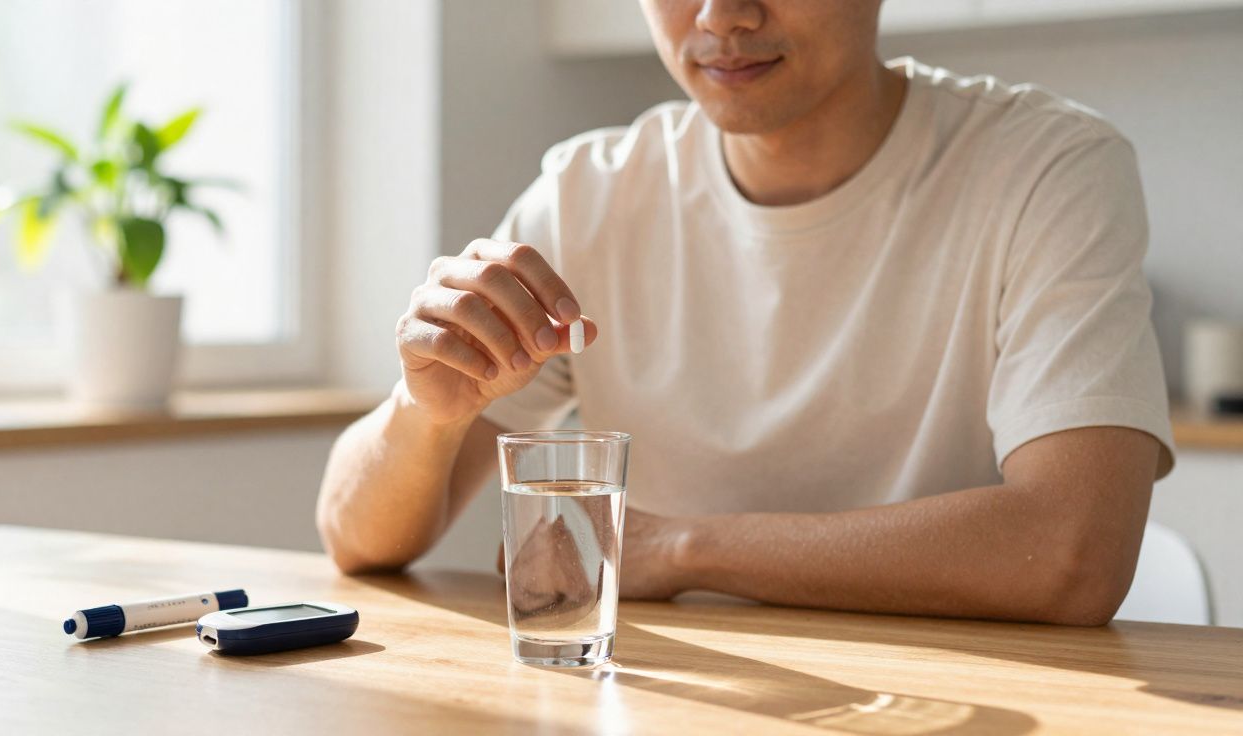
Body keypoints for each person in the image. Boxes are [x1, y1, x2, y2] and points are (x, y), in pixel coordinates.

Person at [316, 0, 1175, 625]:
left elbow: (1072, 553)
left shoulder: (1046, 168)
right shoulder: (589, 193)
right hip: (681, 700)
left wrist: (678, 550)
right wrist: (420, 412)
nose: (723, 17)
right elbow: (357, 539)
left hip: (962, 698)